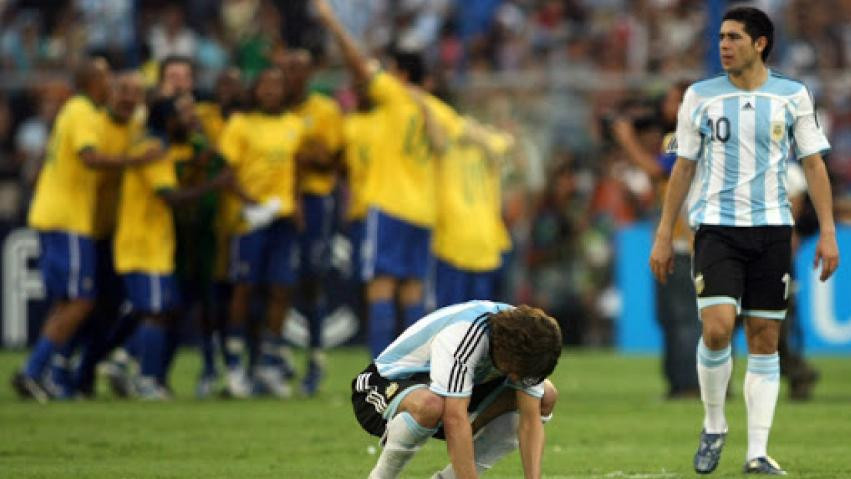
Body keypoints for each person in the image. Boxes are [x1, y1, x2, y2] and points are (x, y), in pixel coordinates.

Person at [649, 7, 839, 475]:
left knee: (765, 338)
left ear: (761, 43)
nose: (723, 44)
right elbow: (684, 166)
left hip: (773, 231)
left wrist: (829, 231)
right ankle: (714, 425)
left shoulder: (793, 96)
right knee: (716, 327)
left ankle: (757, 452)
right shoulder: (699, 96)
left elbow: (814, 165)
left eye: (734, 37)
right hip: (715, 228)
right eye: (721, 36)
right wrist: (662, 231)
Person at [314, 0, 464, 359]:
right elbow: (449, 142)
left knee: (381, 287)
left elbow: (357, 63)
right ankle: (417, 369)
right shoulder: (439, 110)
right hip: (423, 212)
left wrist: (330, 20)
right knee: (412, 290)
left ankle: (380, 372)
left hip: (391, 206)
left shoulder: (395, 97)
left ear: (398, 72)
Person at [11, 58, 159, 402]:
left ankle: (41, 370)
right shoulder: (82, 112)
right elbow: (89, 157)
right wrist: (136, 161)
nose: (111, 86)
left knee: (69, 300)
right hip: (69, 218)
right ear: (93, 82)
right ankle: (33, 370)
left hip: (66, 218)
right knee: (81, 300)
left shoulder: (90, 115)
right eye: (108, 80)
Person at [351, 301, 561, 479]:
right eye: (518, 371)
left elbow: (530, 420)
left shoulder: (530, 341)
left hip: (451, 397)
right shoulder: (464, 335)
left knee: (545, 396)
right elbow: (454, 419)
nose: (519, 378)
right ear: (505, 353)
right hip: (382, 386)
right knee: (430, 405)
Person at [219, 66, 306, 398]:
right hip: (251, 221)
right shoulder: (240, 125)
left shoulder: (294, 125)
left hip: (282, 219)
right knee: (244, 289)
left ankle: (269, 364)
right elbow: (226, 174)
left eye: (277, 85)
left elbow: (295, 168)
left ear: (285, 91)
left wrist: (296, 202)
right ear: (255, 90)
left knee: (281, 290)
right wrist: (251, 205)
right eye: (265, 85)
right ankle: (235, 366)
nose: (270, 91)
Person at [611, 82, 702, 399]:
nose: (664, 105)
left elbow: (657, 172)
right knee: (671, 317)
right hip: (678, 240)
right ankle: (681, 382)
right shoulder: (680, 138)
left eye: (671, 100)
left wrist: (627, 140)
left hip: (687, 243)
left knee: (684, 318)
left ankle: (689, 384)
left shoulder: (686, 137)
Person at [280, 48, 345, 396]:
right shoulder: (271, 110)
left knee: (310, 277)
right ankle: (274, 357)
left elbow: (332, 159)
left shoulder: (325, 110)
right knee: (272, 279)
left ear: (309, 74)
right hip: (276, 201)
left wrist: (306, 156)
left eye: (298, 69)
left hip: (315, 200)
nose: (292, 76)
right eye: (287, 69)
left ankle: (316, 356)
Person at [431, 118, 514, 308]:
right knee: (475, 315)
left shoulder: (486, 143)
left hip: (476, 242)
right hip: (458, 242)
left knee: (456, 315)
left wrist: (471, 131)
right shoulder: (447, 143)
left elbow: (506, 142)